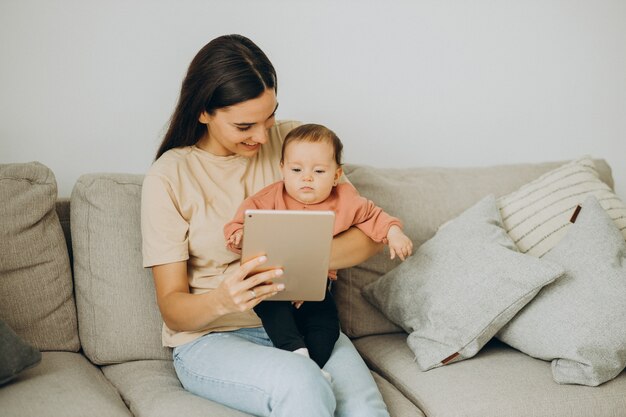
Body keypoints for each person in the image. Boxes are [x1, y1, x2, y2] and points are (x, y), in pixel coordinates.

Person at [141, 34, 393, 417]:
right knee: (302, 383)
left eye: (270, 117)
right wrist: (223, 299)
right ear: (203, 112)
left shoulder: (298, 146)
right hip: (214, 339)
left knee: (364, 408)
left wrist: (301, 255)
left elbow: (368, 234)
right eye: (245, 126)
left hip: (304, 321)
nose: (262, 136)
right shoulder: (169, 177)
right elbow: (173, 310)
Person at [223, 124, 413, 378]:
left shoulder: (345, 199)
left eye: (319, 171)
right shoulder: (267, 198)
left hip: (316, 285)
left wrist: (394, 233)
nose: (307, 177)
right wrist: (239, 235)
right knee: (273, 310)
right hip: (272, 282)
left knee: (326, 326)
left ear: (336, 174)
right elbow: (239, 226)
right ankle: (297, 354)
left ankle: (311, 366)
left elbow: (374, 216)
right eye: (296, 170)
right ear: (282, 169)